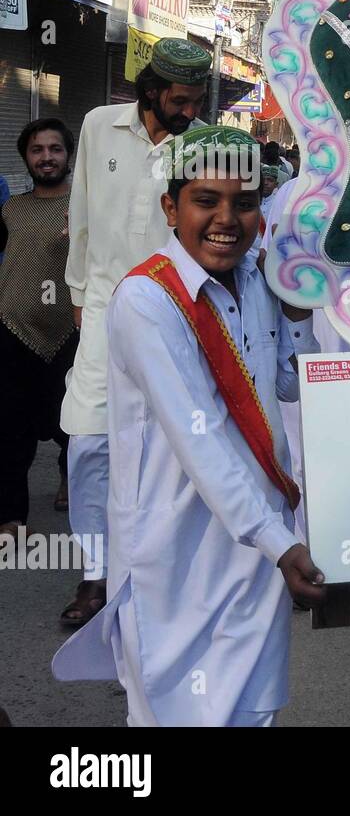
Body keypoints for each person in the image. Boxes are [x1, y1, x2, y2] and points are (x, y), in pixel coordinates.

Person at [51, 126, 325, 726]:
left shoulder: (260, 279)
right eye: (206, 200)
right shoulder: (146, 300)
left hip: (256, 551)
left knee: (253, 713)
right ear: (170, 207)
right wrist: (283, 544)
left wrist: (300, 317)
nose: (227, 219)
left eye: (245, 203)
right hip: (176, 559)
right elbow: (198, 439)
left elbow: (287, 387)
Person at [60, 37, 211, 627]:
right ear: (151, 91)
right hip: (101, 306)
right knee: (89, 439)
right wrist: (76, 295)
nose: (190, 112)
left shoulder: (200, 145)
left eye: (198, 101)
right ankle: (95, 575)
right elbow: (82, 211)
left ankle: (152, 574)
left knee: (169, 444)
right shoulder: (99, 125)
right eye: (181, 100)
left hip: (172, 311)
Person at [0, 120, 78, 538]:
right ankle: (11, 516)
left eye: (55, 149)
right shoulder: (10, 210)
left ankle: (71, 482)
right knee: (10, 428)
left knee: (73, 425)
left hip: (73, 332)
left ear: (68, 155)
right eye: (36, 150)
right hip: (12, 333)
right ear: (26, 157)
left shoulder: (84, 208)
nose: (46, 157)